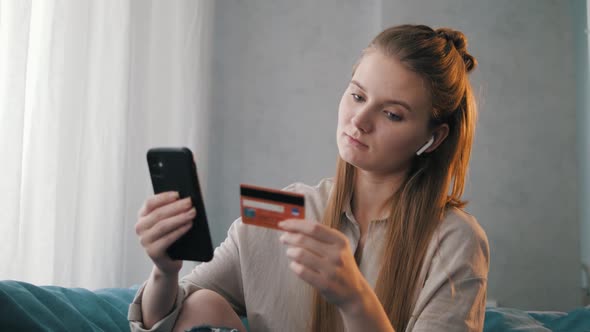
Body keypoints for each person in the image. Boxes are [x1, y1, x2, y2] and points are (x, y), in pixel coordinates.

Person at [128, 24, 490, 332]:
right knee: (201, 305)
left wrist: (355, 298)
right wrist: (164, 270)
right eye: (357, 95)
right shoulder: (282, 210)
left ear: (434, 137)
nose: (359, 121)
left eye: (392, 114)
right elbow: (173, 318)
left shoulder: (456, 240)